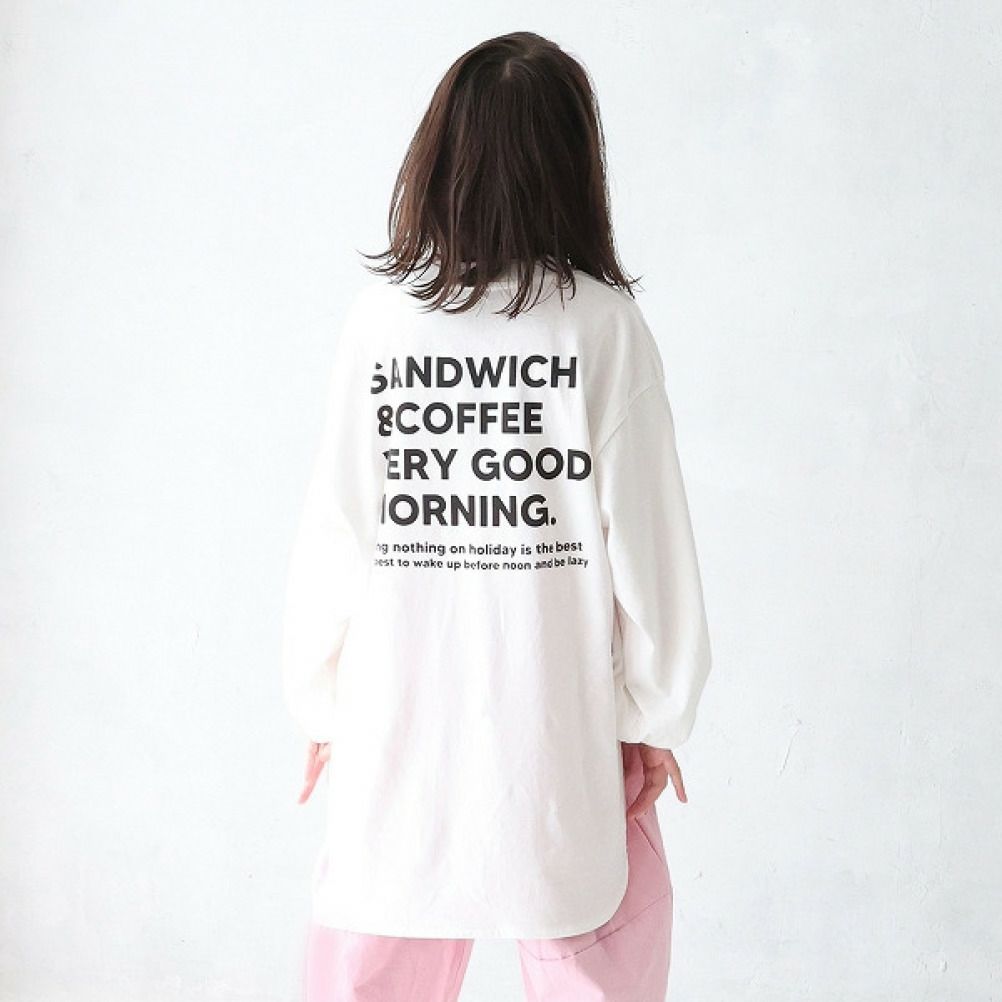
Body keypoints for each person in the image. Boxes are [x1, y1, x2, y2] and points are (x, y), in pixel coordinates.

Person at [281, 30, 712, 1002]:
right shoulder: (601, 328)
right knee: (590, 948)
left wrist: (324, 700)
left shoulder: (381, 325)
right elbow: (651, 546)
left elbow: (337, 531)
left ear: (439, 158)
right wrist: (653, 715)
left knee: (375, 961)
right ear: (573, 164)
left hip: (398, 724)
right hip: (557, 729)